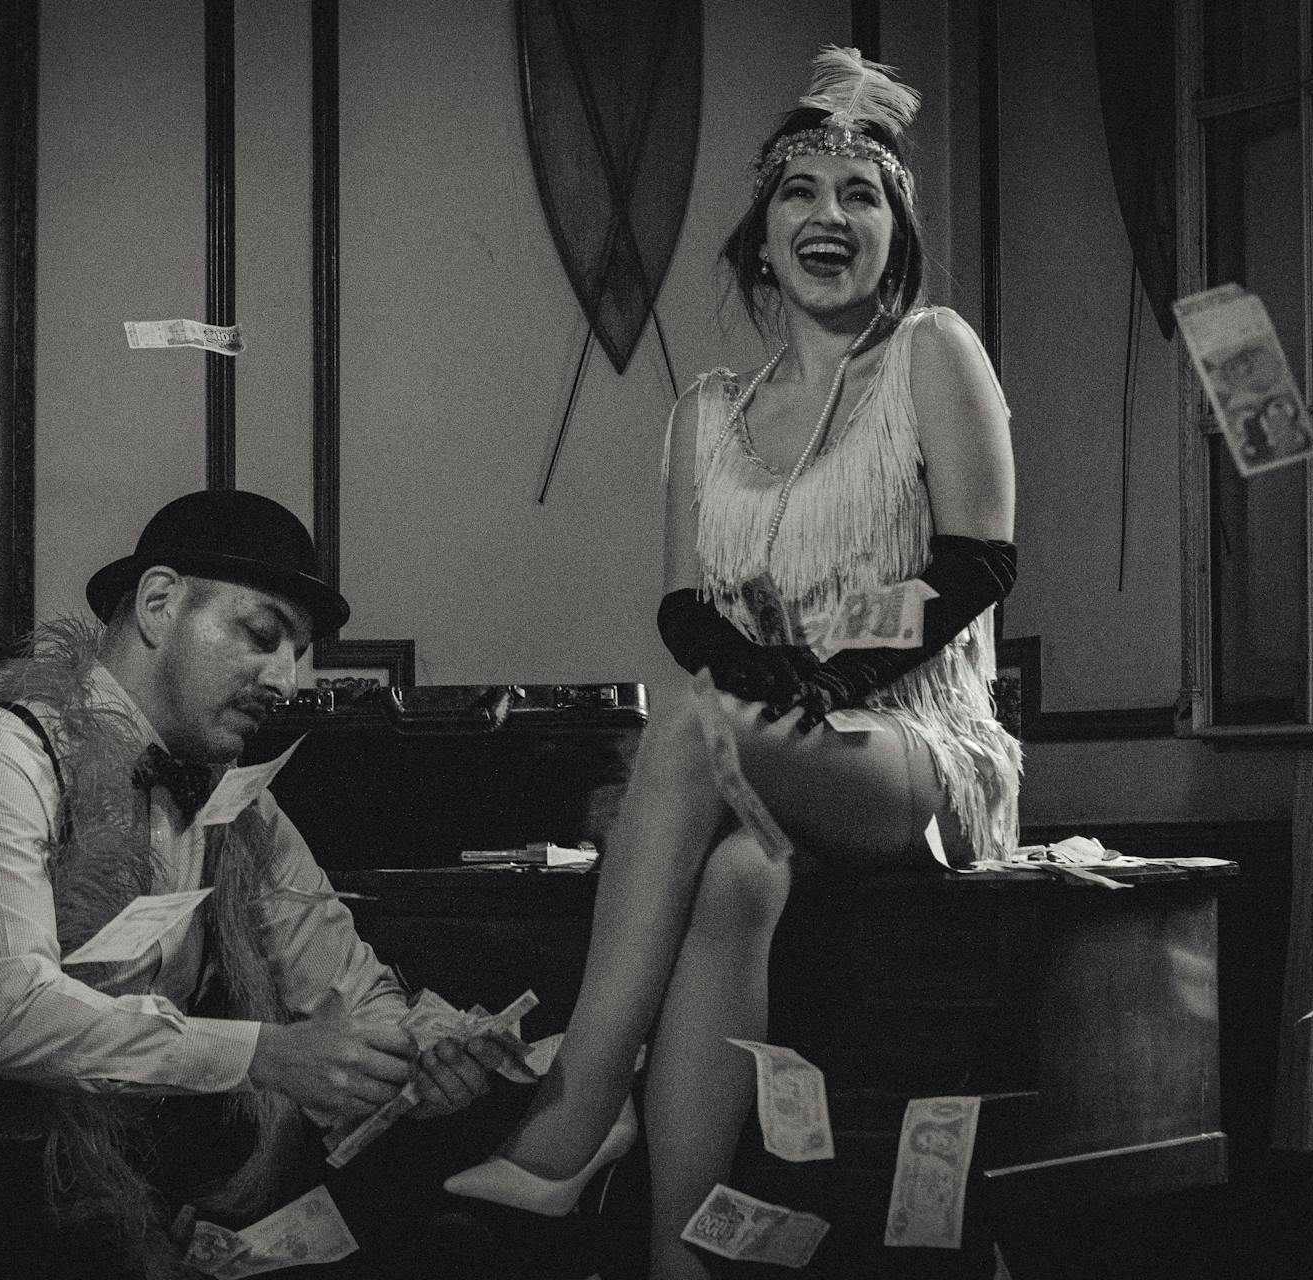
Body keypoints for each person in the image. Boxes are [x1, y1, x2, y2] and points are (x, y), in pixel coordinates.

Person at [444, 48, 1021, 1279]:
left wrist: (834, 676)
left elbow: (980, 559)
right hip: (766, 747)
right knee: (732, 883)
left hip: (916, 747)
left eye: (861, 195)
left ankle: (579, 1106)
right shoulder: (703, 409)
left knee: (699, 722)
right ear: (760, 236)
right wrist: (764, 676)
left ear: (895, 232)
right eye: (800, 193)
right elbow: (683, 607)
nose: (829, 216)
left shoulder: (933, 351)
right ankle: (683, 1261)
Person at [0, 489, 511, 1280]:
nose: (285, 679)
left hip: (106, 1192)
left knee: (421, 1222)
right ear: (160, 602)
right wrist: (264, 1057)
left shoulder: (241, 808)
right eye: (262, 635)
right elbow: (14, 1020)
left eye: (297, 653)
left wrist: (419, 1058)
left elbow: (344, 988)